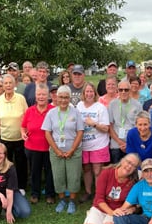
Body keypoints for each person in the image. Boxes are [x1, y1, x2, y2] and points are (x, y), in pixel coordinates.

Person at [42, 85, 84, 214]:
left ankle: (71, 201)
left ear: (70, 98)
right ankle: (62, 200)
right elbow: (47, 133)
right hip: (56, 151)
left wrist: (72, 149)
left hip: (74, 150)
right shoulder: (51, 113)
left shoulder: (75, 112)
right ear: (56, 97)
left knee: (74, 176)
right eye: (61, 97)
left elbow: (80, 132)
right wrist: (56, 150)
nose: (64, 100)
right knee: (58, 176)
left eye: (66, 97)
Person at [81, 154, 140, 224]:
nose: (129, 166)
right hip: (101, 208)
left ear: (135, 169)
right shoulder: (107, 172)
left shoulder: (133, 182)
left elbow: (135, 203)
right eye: (128, 162)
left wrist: (133, 209)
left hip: (118, 210)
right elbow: (99, 199)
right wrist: (111, 212)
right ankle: (96, 220)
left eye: (133, 165)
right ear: (122, 161)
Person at [77, 83, 111, 203]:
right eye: (87, 91)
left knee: (97, 171)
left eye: (91, 91)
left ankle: (98, 195)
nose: (89, 94)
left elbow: (106, 128)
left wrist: (93, 124)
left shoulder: (100, 107)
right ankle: (88, 192)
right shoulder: (79, 106)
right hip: (84, 144)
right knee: (86, 169)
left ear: (95, 93)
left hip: (98, 144)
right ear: (83, 93)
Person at [0, 75, 29, 192]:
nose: (8, 85)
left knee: (21, 164)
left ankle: (21, 186)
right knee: (5, 164)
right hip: (5, 138)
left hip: (19, 137)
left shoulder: (21, 98)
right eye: (6, 83)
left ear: (14, 85)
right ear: (3, 86)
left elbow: (27, 116)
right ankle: (7, 185)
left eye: (10, 83)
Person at [22, 85, 55, 204]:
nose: (41, 97)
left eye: (44, 94)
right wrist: (23, 133)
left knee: (49, 171)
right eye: (39, 95)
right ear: (35, 96)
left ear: (48, 96)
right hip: (32, 146)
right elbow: (23, 126)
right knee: (35, 171)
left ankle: (50, 194)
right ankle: (35, 193)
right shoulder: (30, 110)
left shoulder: (53, 110)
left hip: (49, 147)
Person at [108, 80, 142, 164]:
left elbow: (140, 126)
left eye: (126, 90)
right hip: (116, 144)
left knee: (132, 171)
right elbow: (110, 126)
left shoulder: (137, 105)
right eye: (121, 90)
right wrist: (120, 142)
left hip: (132, 143)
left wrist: (129, 143)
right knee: (117, 170)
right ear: (117, 90)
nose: (123, 92)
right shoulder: (112, 104)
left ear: (130, 90)